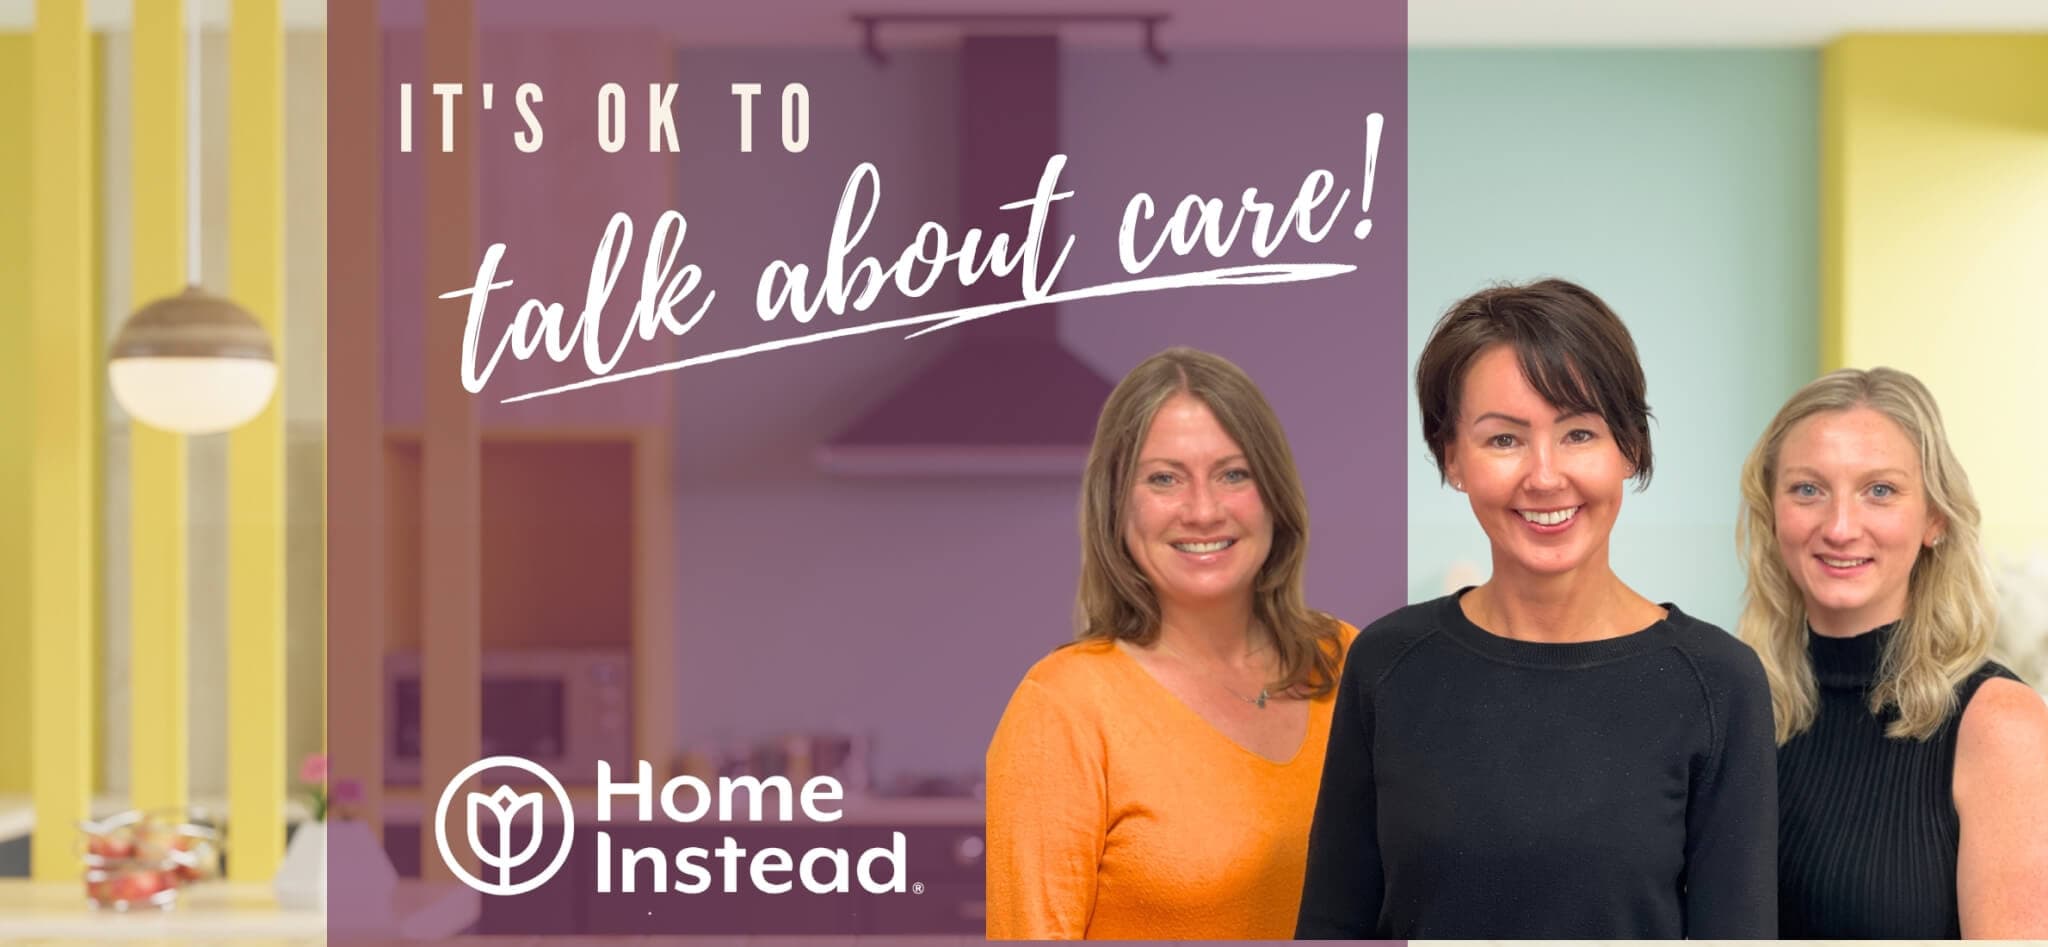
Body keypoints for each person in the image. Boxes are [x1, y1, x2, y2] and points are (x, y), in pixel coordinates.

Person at [1296, 279, 1777, 939]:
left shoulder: (1719, 682)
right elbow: (1332, 926)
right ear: (1452, 457)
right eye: (1504, 440)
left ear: (1629, 447)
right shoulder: (1386, 664)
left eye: (1579, 433)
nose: (1545, 476)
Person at [984, 346, 1357, 939]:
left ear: (1273, 495)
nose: (1203, 510)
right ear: (1117, 505)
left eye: (1233, 474)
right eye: (1165, 479)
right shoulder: (1063, 707)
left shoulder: (1352, 665)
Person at [1735, 367, 2048, 938]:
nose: (1840, 527)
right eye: (1808, 489)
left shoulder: (2000, 725)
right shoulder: (1735, 708)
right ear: (1772, 512)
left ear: (1935, 518)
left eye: (1879, 490)